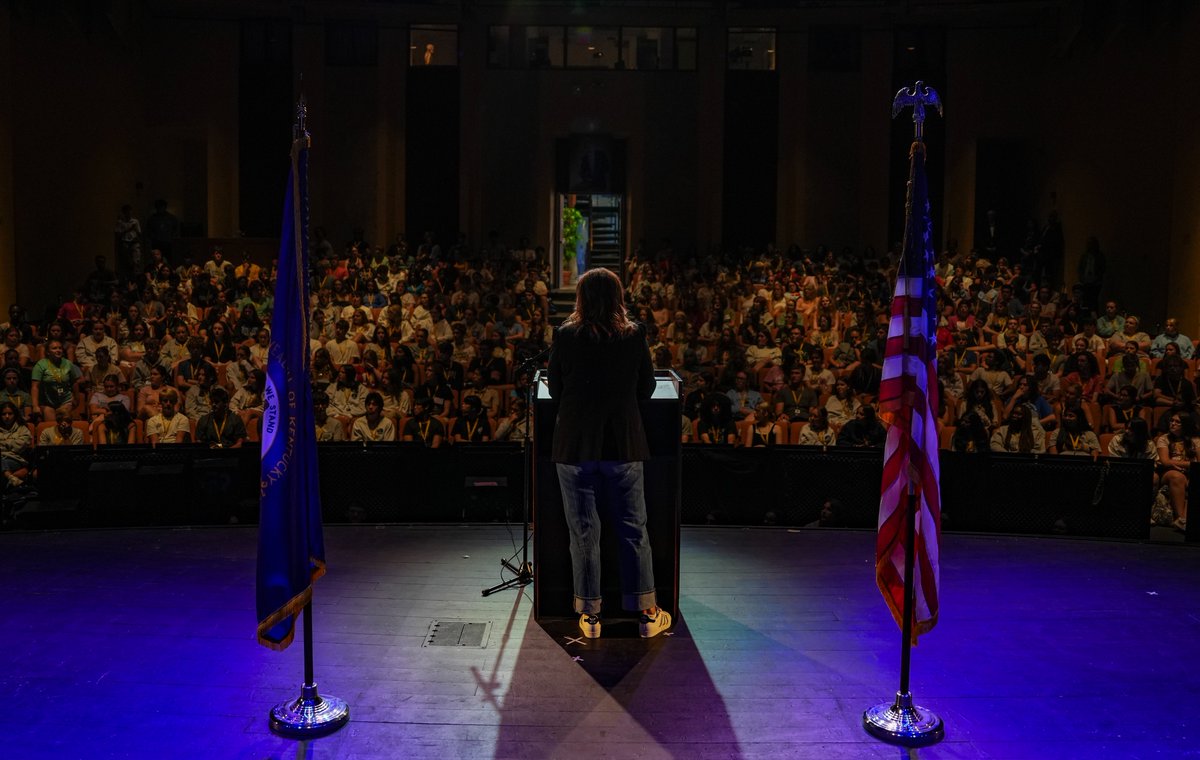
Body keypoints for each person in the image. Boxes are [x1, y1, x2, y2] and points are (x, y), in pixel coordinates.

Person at [547, 268, 670, 640]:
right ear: (618, 297)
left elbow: (554, 389)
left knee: (583, 531)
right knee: (634, 529)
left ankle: (590, 616)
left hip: (575, 446)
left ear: (581, 297)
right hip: (623, 445)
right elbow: (647, 387)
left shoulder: (565, 335)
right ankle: (647, 614)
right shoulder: (634, 335)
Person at [1155, 412, 1199, 532]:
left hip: (1191, 473)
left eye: (1177, 422)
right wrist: (1190, 464)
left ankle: (1182, 520)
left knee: (1196, 480)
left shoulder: (1196, 440)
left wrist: (1191, 467)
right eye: (1171, 421)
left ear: (1185, 425)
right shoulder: (1164, 439)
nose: (1172, 423)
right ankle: (1182, 518)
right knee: (1177, 476)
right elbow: (1166, 461)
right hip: (1168, 473)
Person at [0, 401, 33, 488]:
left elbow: (19, 447)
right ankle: (11, 478)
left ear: (15, 414)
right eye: (4, 414)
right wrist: (12, 442)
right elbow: (14, 445)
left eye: (10, 413)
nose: (7, 416)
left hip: (16, 459)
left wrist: (3, 444)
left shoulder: (22, 429)